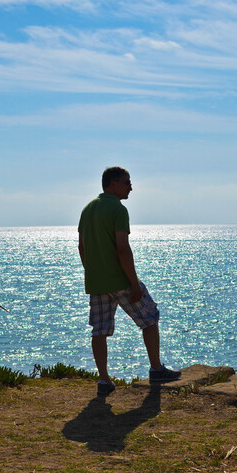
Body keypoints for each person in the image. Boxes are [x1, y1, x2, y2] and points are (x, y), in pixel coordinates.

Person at [78, 166, 181, 396]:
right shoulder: (118, 209)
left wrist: (92, 271)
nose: (131, 187)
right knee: (150, 317)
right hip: (120, 279)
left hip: (97, 282)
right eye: (127, 182)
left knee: (99, 331)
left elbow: (81, 246)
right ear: (112, 184)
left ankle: (104, 381)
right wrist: (133, 283)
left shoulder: (87, 210)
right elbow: (123, 249)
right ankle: (156, 369)